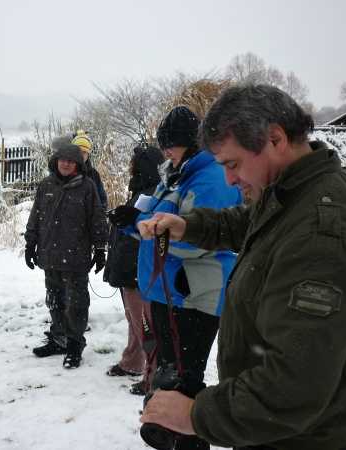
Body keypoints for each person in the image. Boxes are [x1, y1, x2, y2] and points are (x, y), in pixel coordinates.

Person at [138, 84, 346, 449]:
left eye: (233, 164)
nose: (229, 179)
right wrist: (188, 226)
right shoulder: (294, 191)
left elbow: (295, 385)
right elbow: (250, 223)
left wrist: (195, 415)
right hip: (273, 430)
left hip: (298, 439)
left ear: (275, 139)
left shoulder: (319, 234)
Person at [110, 106, 242, 450]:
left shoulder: (211, 178)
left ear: (192, 144)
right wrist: (132, 220)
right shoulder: (175, 176)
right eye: (163, 144)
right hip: (168, 291)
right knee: (170, 375)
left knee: (184, 382)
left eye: (172, 144)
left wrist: (145, 227)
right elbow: (157, 222)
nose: (166, 150)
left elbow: (200, 239)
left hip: (193, 294)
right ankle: (171, 434)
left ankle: (188, 440)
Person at [24, 142, 108, 368]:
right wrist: (30, 244)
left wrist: (100, 248)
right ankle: (58, 339)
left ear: (78, 164)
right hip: (50, 255)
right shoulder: (46, 185)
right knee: (54, 300)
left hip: (76, 257)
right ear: (56, 161)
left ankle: (74, 345)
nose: (66, 164)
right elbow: (36, 216)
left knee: (76, 304)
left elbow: (97, 219)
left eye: (71, 161)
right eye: (62, 160)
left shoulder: (87, 187)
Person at [103, 144, 163, 393]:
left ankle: (153, 377)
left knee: (145, 326)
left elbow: (140, 238)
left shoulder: (150, 195)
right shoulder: (142, 192)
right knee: (135, 320)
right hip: (131, 270)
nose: (130, 167)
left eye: (134, 163)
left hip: (137, 272)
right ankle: (132, 362)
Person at [71, 130, 108, 208]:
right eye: (79, 151)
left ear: (88, 155)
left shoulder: (94, 174)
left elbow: (102, 198)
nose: (81, 155)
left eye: (84, 152)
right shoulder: (65, 171)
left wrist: (101, 211)